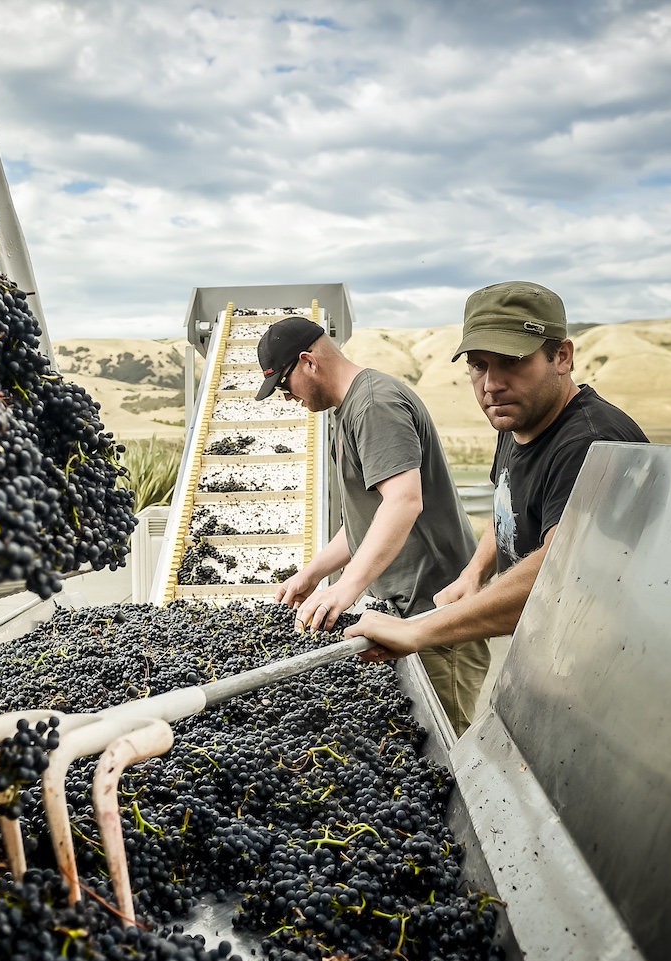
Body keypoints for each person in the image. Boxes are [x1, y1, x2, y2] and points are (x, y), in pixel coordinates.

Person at [345, 281, 648, 673]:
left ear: (562, 356)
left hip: (608, 668)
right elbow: (507, 508)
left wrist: (422, 632)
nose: (491, 384)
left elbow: (563, 571)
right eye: (478, 364)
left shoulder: (591, 443)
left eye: (512, 361)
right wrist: (475, 574)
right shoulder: (518, 420)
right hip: (552, 651)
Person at [255, 316, 490, 734]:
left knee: (446, 755)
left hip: (435, 614)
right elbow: (363, 523)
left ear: (308, 362)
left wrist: (347, 588)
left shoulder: (375, 405)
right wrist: (311, 574)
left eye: (284, 385)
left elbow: (403, 502)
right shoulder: (345, 413)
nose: (286, 399)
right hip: (402, 617)